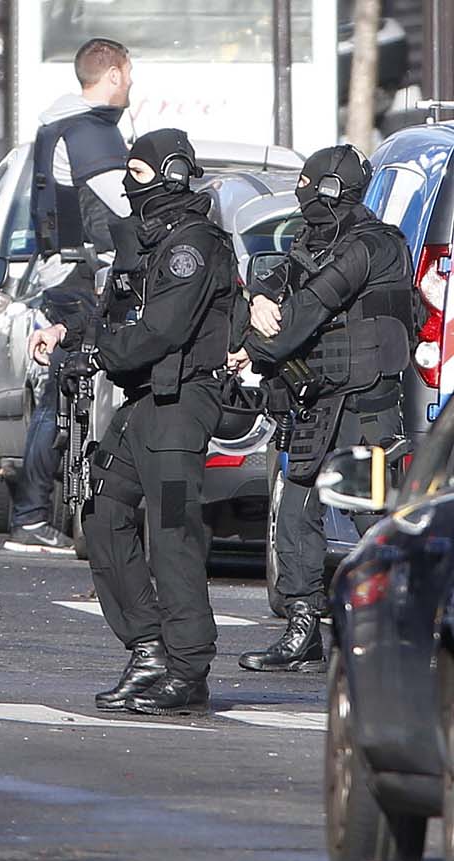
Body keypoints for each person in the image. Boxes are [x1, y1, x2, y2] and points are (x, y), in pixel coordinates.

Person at [57, 129, 237, 715]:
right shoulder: (150, 242)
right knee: (103, 516)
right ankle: (148, 648)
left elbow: (161, 329)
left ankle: (187, 667)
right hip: (146, 403)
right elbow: (112, 310)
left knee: (173, 532)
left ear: (172, 176)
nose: (129, 188)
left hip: (183, 405)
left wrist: (103, 351)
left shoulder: (194, 245)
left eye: (138, 175)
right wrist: (72, 336)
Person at [232, 145, 413, 672]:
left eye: (310, 186)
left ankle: (396, 628)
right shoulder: (314, 239)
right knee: (295, 512)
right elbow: (276, 280)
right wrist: (257, 301)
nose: (303, 195)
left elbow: (314, 301)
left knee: (370, 516)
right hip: (319, 398)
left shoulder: (374, 245)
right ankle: (303, 627)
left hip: (365, 401)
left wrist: (253, 348)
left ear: (332, 190)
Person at [4, 37, 132, 554]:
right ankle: (32, 515)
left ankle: (34, 512)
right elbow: (123, 205)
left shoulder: (57, 125)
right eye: (130, 76)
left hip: (61, 275)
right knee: (64, 395)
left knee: (57, 395)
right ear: (116, 76)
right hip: (81, 281)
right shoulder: (89, 132)